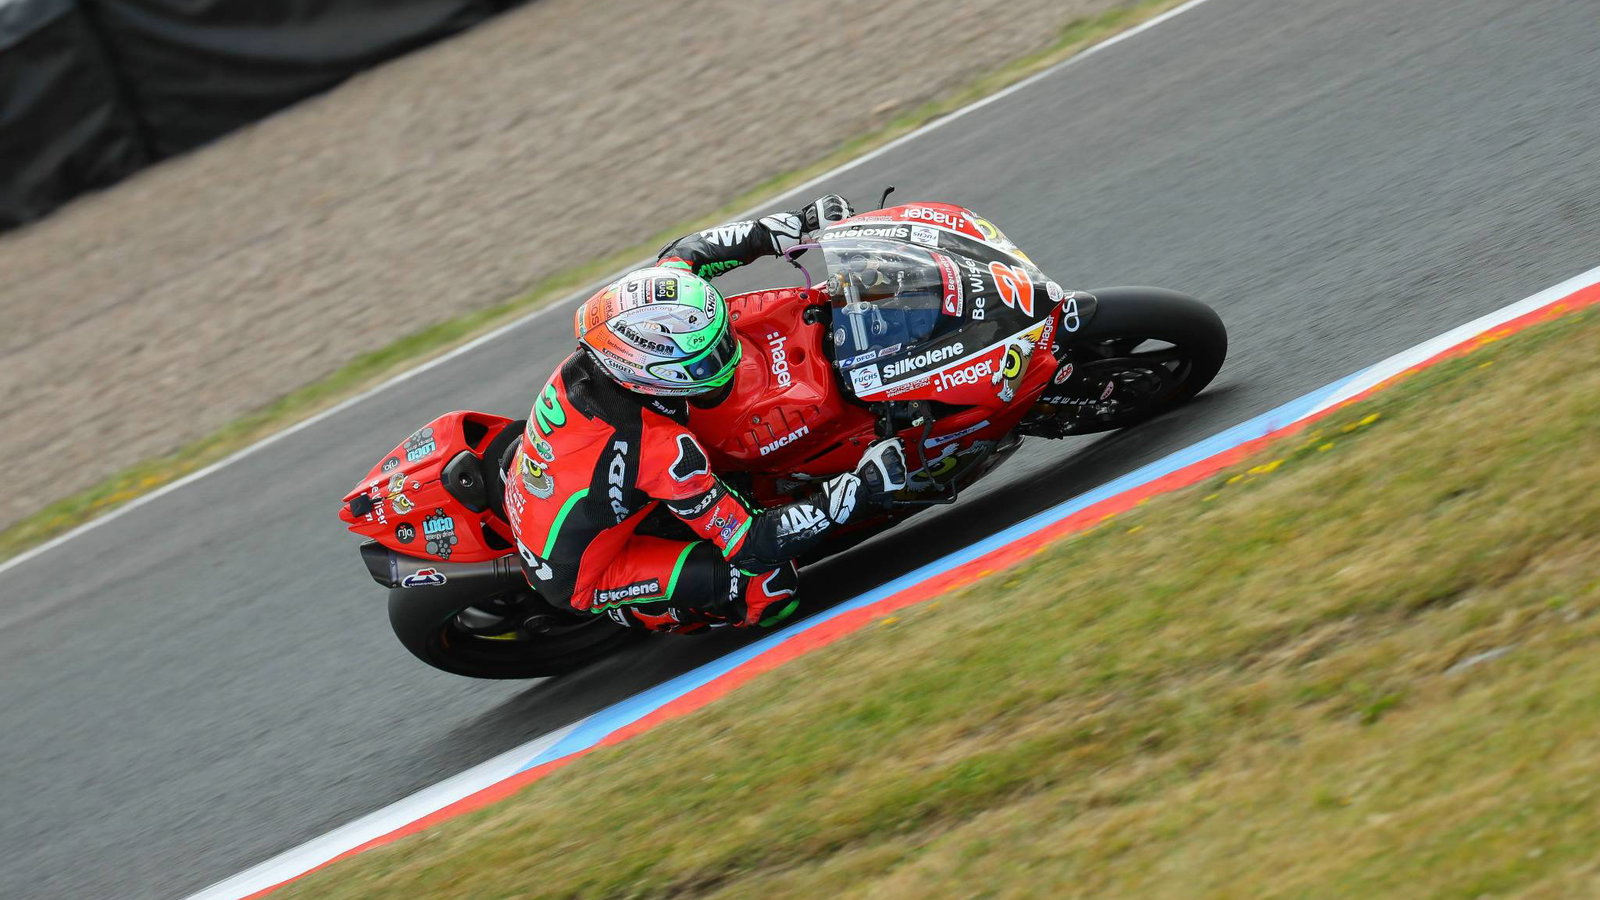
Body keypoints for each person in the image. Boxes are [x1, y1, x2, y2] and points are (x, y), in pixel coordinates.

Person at [502, 194, 908, 634]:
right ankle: (653, 610)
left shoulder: (624, 337)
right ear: (655, 376)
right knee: (769, 588)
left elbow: (689, 252)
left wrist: (794, 224)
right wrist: (858, 491)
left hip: (561, 482)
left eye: (724, 338)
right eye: (709, 360)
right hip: (582, 571)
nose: (731, 356)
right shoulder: (660, 448)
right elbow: (751, 543)